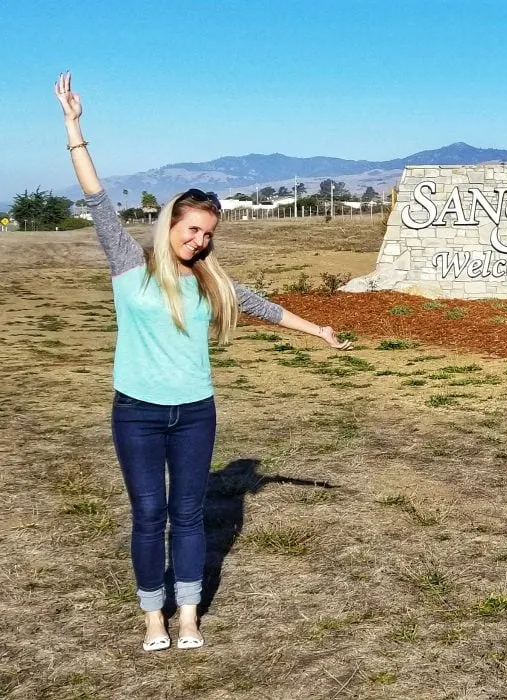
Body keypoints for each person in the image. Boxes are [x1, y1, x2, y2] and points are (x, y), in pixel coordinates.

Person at [54, 71, 353, 652]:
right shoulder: (127, 265)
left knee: (188, 517)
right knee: (149, 517)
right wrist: (74, 128)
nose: (200, 241)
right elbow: (96, 199)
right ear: (171, 224)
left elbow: (260, 305)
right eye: (192, 230)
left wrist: (317, 329)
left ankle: (188, 617)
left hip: (194, 412)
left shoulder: (210, 280)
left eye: (208, 234)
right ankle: (153, 620)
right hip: (137, 412)